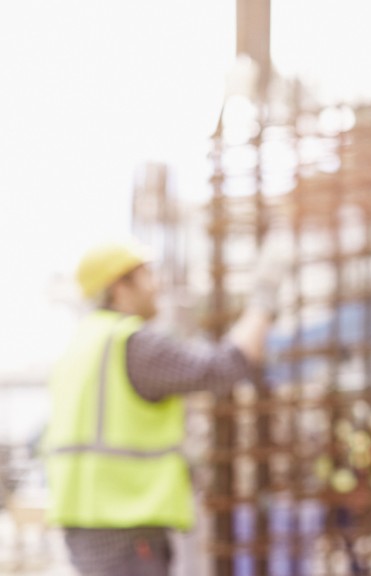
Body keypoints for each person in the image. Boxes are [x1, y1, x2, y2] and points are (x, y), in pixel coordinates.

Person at [44, 238, 283, 576]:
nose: (155, 286)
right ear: (120, 286)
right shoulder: (132, 343)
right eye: (146, 276)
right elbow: (223, 367)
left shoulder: (79, 348)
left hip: (85, 521)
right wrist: (263, 302)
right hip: (126, 523)